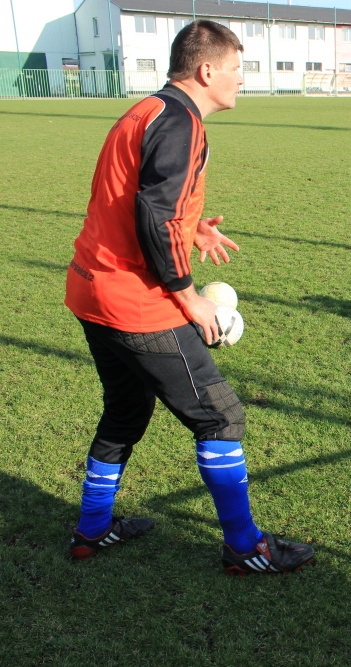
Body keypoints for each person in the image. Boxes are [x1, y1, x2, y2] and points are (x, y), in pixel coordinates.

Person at [64, 20, 314, 575]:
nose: (240, 82)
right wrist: (190, 298)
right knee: (220, 418)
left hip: (89, 286)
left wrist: (193, 226)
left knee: (126, 412)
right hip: (134, 299)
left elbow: (142, 199)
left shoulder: (148, 110)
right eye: (236, 70)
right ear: (207, 71)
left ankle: (92, 529)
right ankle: (246, 547)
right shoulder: (182, 123)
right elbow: (154, 214)